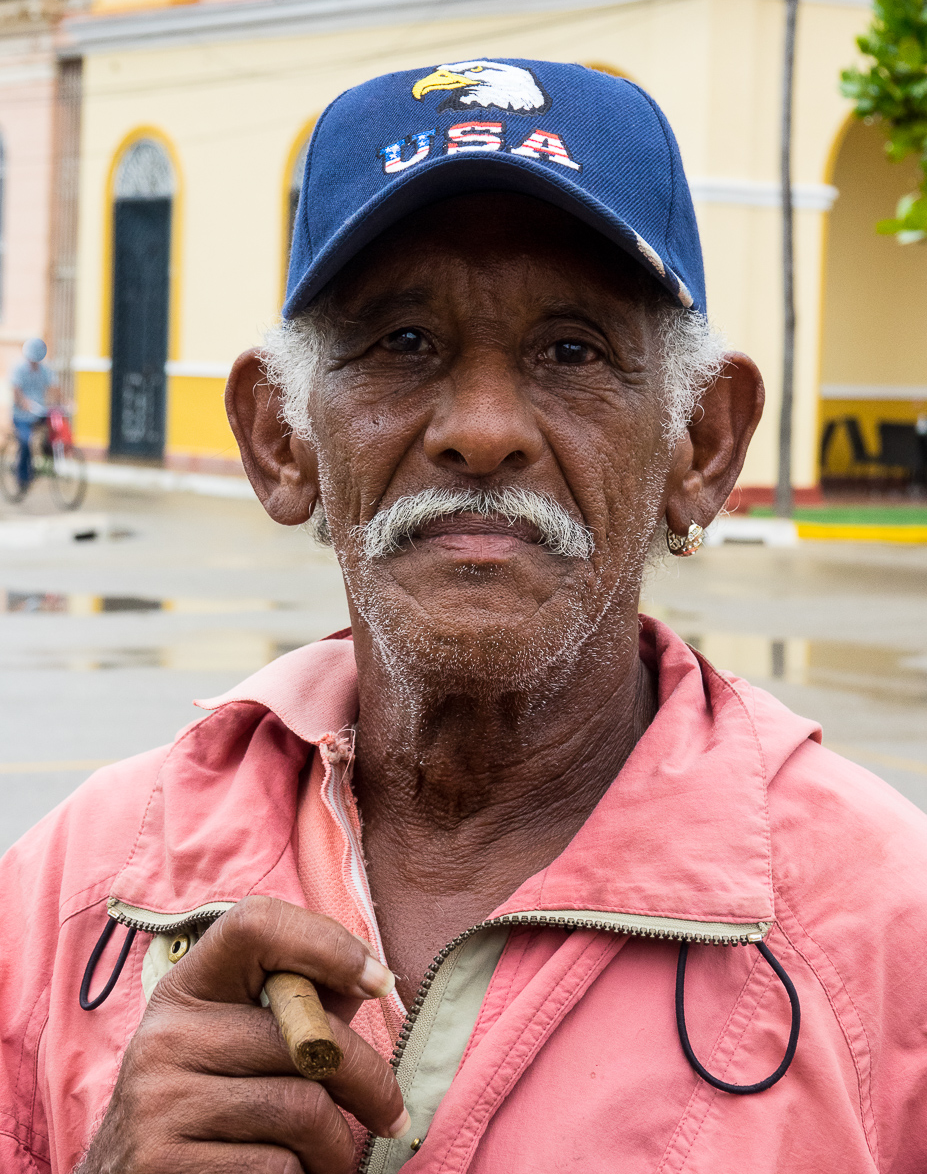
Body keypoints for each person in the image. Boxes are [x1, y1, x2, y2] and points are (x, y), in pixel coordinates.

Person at [2, 60, 927, 1174]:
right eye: (401, 343)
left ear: (701, 446)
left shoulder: (884, 932)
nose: (483, 430)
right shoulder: (78, 885)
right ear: (281, 439)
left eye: (572, 351)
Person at [10, 337, 58, 489]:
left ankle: (47, 462)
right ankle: (23, 476)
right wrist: (25, 403)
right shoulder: (18, 369)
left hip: (39, 413)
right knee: (26, 441)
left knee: (56, 430)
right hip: (21, 416)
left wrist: (63, 402)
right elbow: (16, 391)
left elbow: (54, 387)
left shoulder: (45, 369)